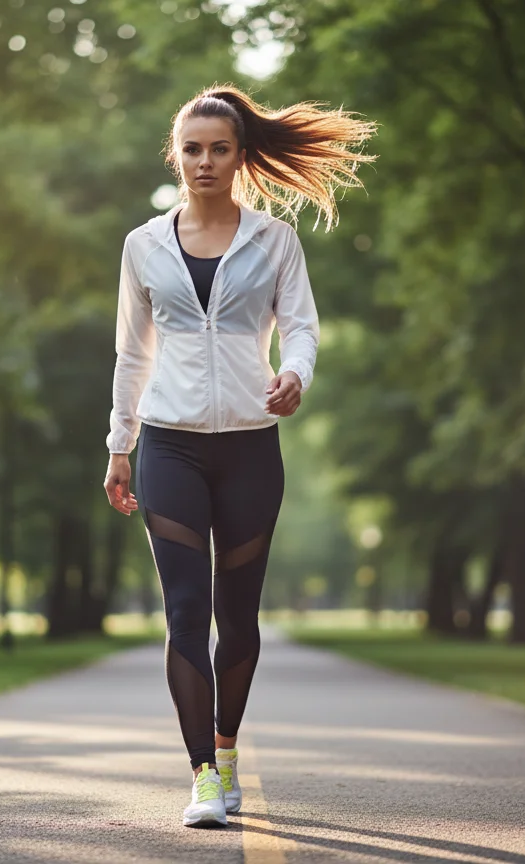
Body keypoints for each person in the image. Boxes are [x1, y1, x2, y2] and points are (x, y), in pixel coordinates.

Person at [103, 84, 375, 828]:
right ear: (175, 155)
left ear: (240, 156)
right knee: (186, 611)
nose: (205, 161)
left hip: (252, 447)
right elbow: (132, 353)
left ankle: (227, 751)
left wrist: (296, 373)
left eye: (220, 148)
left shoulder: (275, 241)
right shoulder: (143, 246)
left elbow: (305, 329)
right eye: (192, 149)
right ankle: (200, 778)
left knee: (239, 617)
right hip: (169, 445)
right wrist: (119, 445)